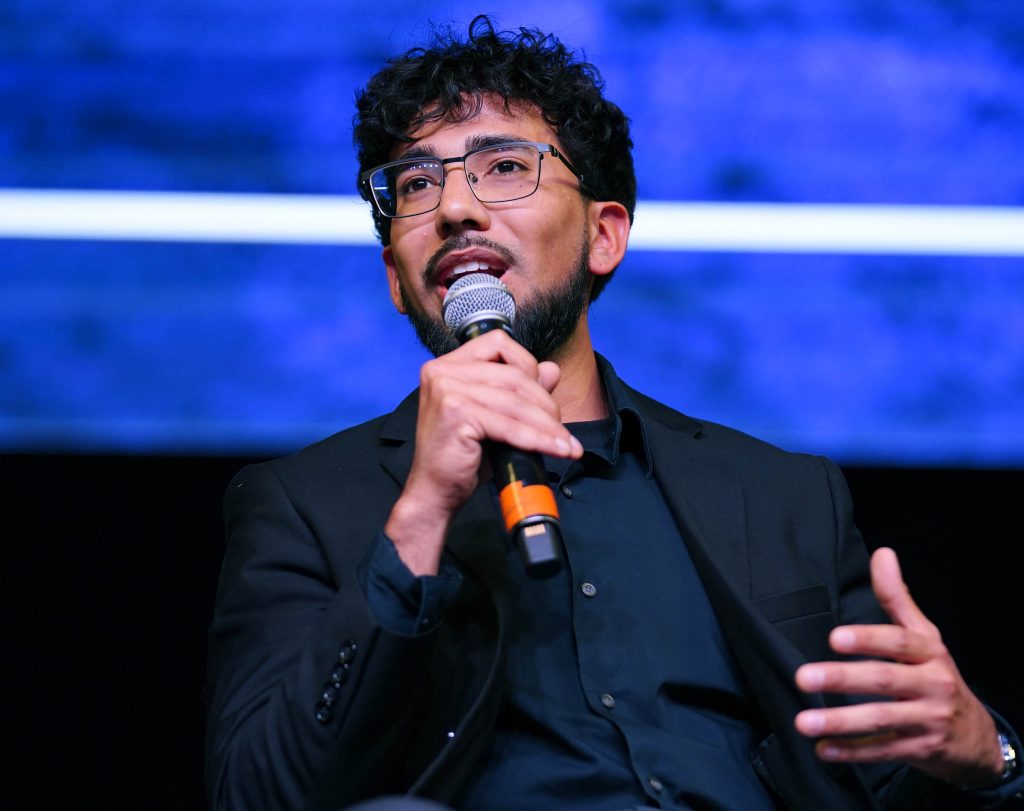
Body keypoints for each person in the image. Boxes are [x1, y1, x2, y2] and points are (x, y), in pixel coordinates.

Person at [205, 16, 1022, 811]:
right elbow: (258, 792)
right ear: (395, 276)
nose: (453, 207)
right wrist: (419, 517)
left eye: (503, 166)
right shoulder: (306, 505)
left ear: (605, 235)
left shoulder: (784, 497)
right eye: (416, 183)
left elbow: (883, 782)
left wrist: (983, 757)